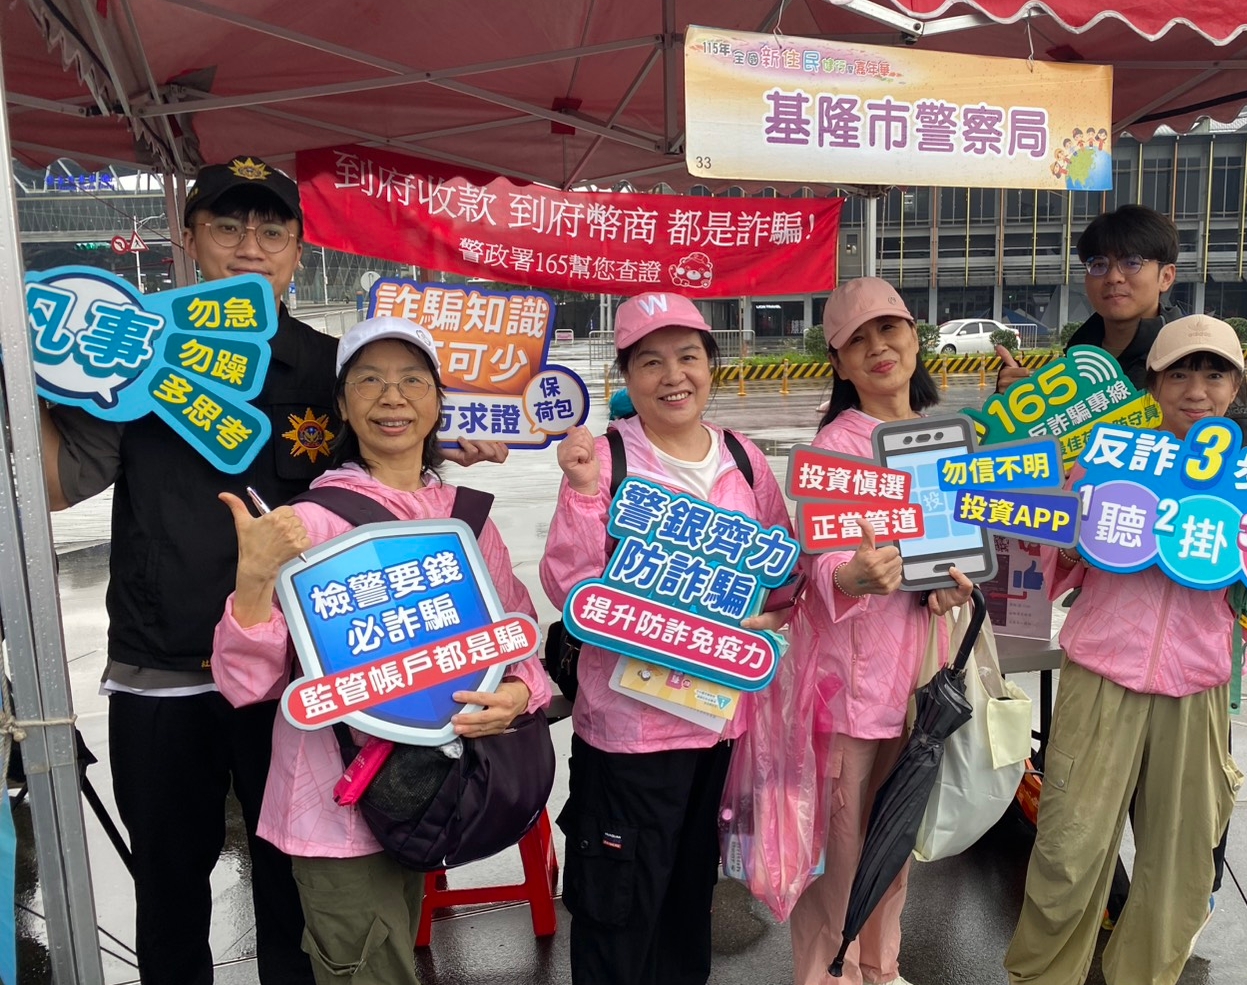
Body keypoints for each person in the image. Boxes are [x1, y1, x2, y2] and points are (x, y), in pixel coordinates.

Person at [38, 156, 507, 984]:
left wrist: (447, 443)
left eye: (271, 230)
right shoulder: (131, 358)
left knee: (294, 889)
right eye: (226, 226)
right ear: (188, 240)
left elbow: (396, 453)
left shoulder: (331, 371)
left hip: (297, 682)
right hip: (160, 671)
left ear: (296, 251)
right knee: (168, 889)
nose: (249, 246)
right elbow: (54, 483)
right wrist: (30, 378)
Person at [209, 316, 550, 984]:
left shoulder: (467, 519)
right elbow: (246, 684)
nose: (392, 397)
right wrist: (252, 582)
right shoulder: (305, 524)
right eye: (369, 380)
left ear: (436, 403)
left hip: (437, 793)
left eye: (411, 380)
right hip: (336, 807)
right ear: (341, 404)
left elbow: (516, 638)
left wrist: (517, 694)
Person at [1003, 316, 1247, 985]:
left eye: (1214, 374)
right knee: (1068, 853)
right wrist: (1066, 534)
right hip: (1100, 677)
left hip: (1197, 688)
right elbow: (1049, 566)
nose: (1196, 389)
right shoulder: (1105, 463)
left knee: (1181, 866)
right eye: (1179, 373)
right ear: (1153, 384)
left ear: (1236, 387)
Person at [539, 291, 794, 985]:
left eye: (688, 356)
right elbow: (570, 587)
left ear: (712, 365)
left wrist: (771, 617)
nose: (673, 376)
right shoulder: (604, 460)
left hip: (716, 728)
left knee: (687, 907)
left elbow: (781, 574)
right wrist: (582, 491)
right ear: (626, 375)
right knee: (617, 914)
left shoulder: (743, 459)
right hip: (630, 738)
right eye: (650, 361)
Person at [788, 277, 973, 985]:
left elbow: (957, 551)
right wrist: (849, 577)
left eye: (888, 329)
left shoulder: (942, 439)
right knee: (839, 859)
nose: (877, 348)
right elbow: (813, 561)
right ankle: (826, 975)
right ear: (837, 362)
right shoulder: (836, 445)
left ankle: (880, 968)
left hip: (919, 689)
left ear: (914, 336)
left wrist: (951, 586)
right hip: (849, 693)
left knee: (892, 846)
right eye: (856, 340)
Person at [996, 203, 1247, 443]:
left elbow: (1233, 453)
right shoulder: (1075, 359)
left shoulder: (1203, 355)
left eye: (1132, 262)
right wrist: (1013, 407)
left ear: (1166, 277)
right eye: (1099, 264)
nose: (1113, 277)